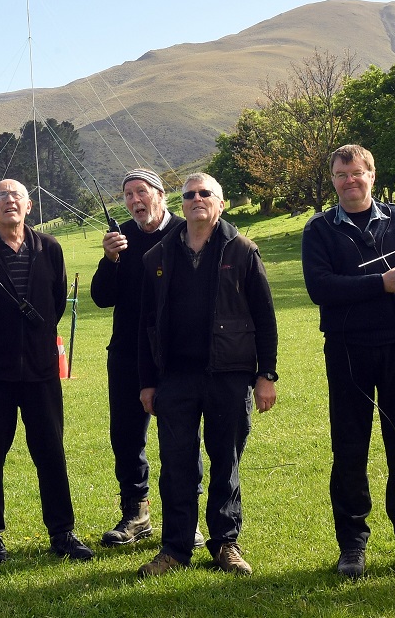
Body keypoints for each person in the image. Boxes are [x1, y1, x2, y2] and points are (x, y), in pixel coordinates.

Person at [301, 144, 395, 582]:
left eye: (357, 173)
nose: (350, 181)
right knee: (349, 449)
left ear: (372, 175)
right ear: (333, 180)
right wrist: (381, 283)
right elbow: (320, 288)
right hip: (347, 350)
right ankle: (352, 547)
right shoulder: (319, 229)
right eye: (342, 175)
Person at [135, 173, 278, 578]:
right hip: (175, 378)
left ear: (221, 203)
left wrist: (265, 375)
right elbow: (146, 327)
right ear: (179, 204)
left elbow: (266, 320)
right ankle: (175, 549)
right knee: (177, 465)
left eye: (205, 193)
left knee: (225, 461)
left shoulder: (243, 251)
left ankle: (225, 544)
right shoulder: (158, 257)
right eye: (189, 195)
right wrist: (148, 382)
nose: (196, 199)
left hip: (229, 376)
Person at [0, 179, 93, 563]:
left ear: (29, 206)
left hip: (40, 370)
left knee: (51, 451)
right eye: (1, 196)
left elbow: (56, 303)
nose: (9, 201)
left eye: (16, 195)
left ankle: (62, 532)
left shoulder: (49, 248)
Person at [90, 168, 175, 547]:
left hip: (175, 354)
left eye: (141, 192)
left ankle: (182, 517)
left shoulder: (185, 232)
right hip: (126, 352)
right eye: (128, 195)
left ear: (161, 193)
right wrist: (109, 260)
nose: (135, 201)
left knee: (180, 436)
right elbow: (101, 297)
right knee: (126, 437)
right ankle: (136, 513)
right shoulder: (120, 239)